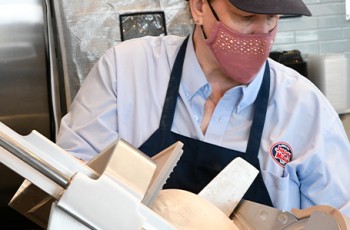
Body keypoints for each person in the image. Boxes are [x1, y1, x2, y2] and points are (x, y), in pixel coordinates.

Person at [56, 0, 350, 217]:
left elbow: (339, 217)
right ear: (198, 7)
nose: (261, 35)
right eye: (245, 16)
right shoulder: (125, 72)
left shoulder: (306, 109)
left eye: (272, 19)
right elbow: (69, 181)